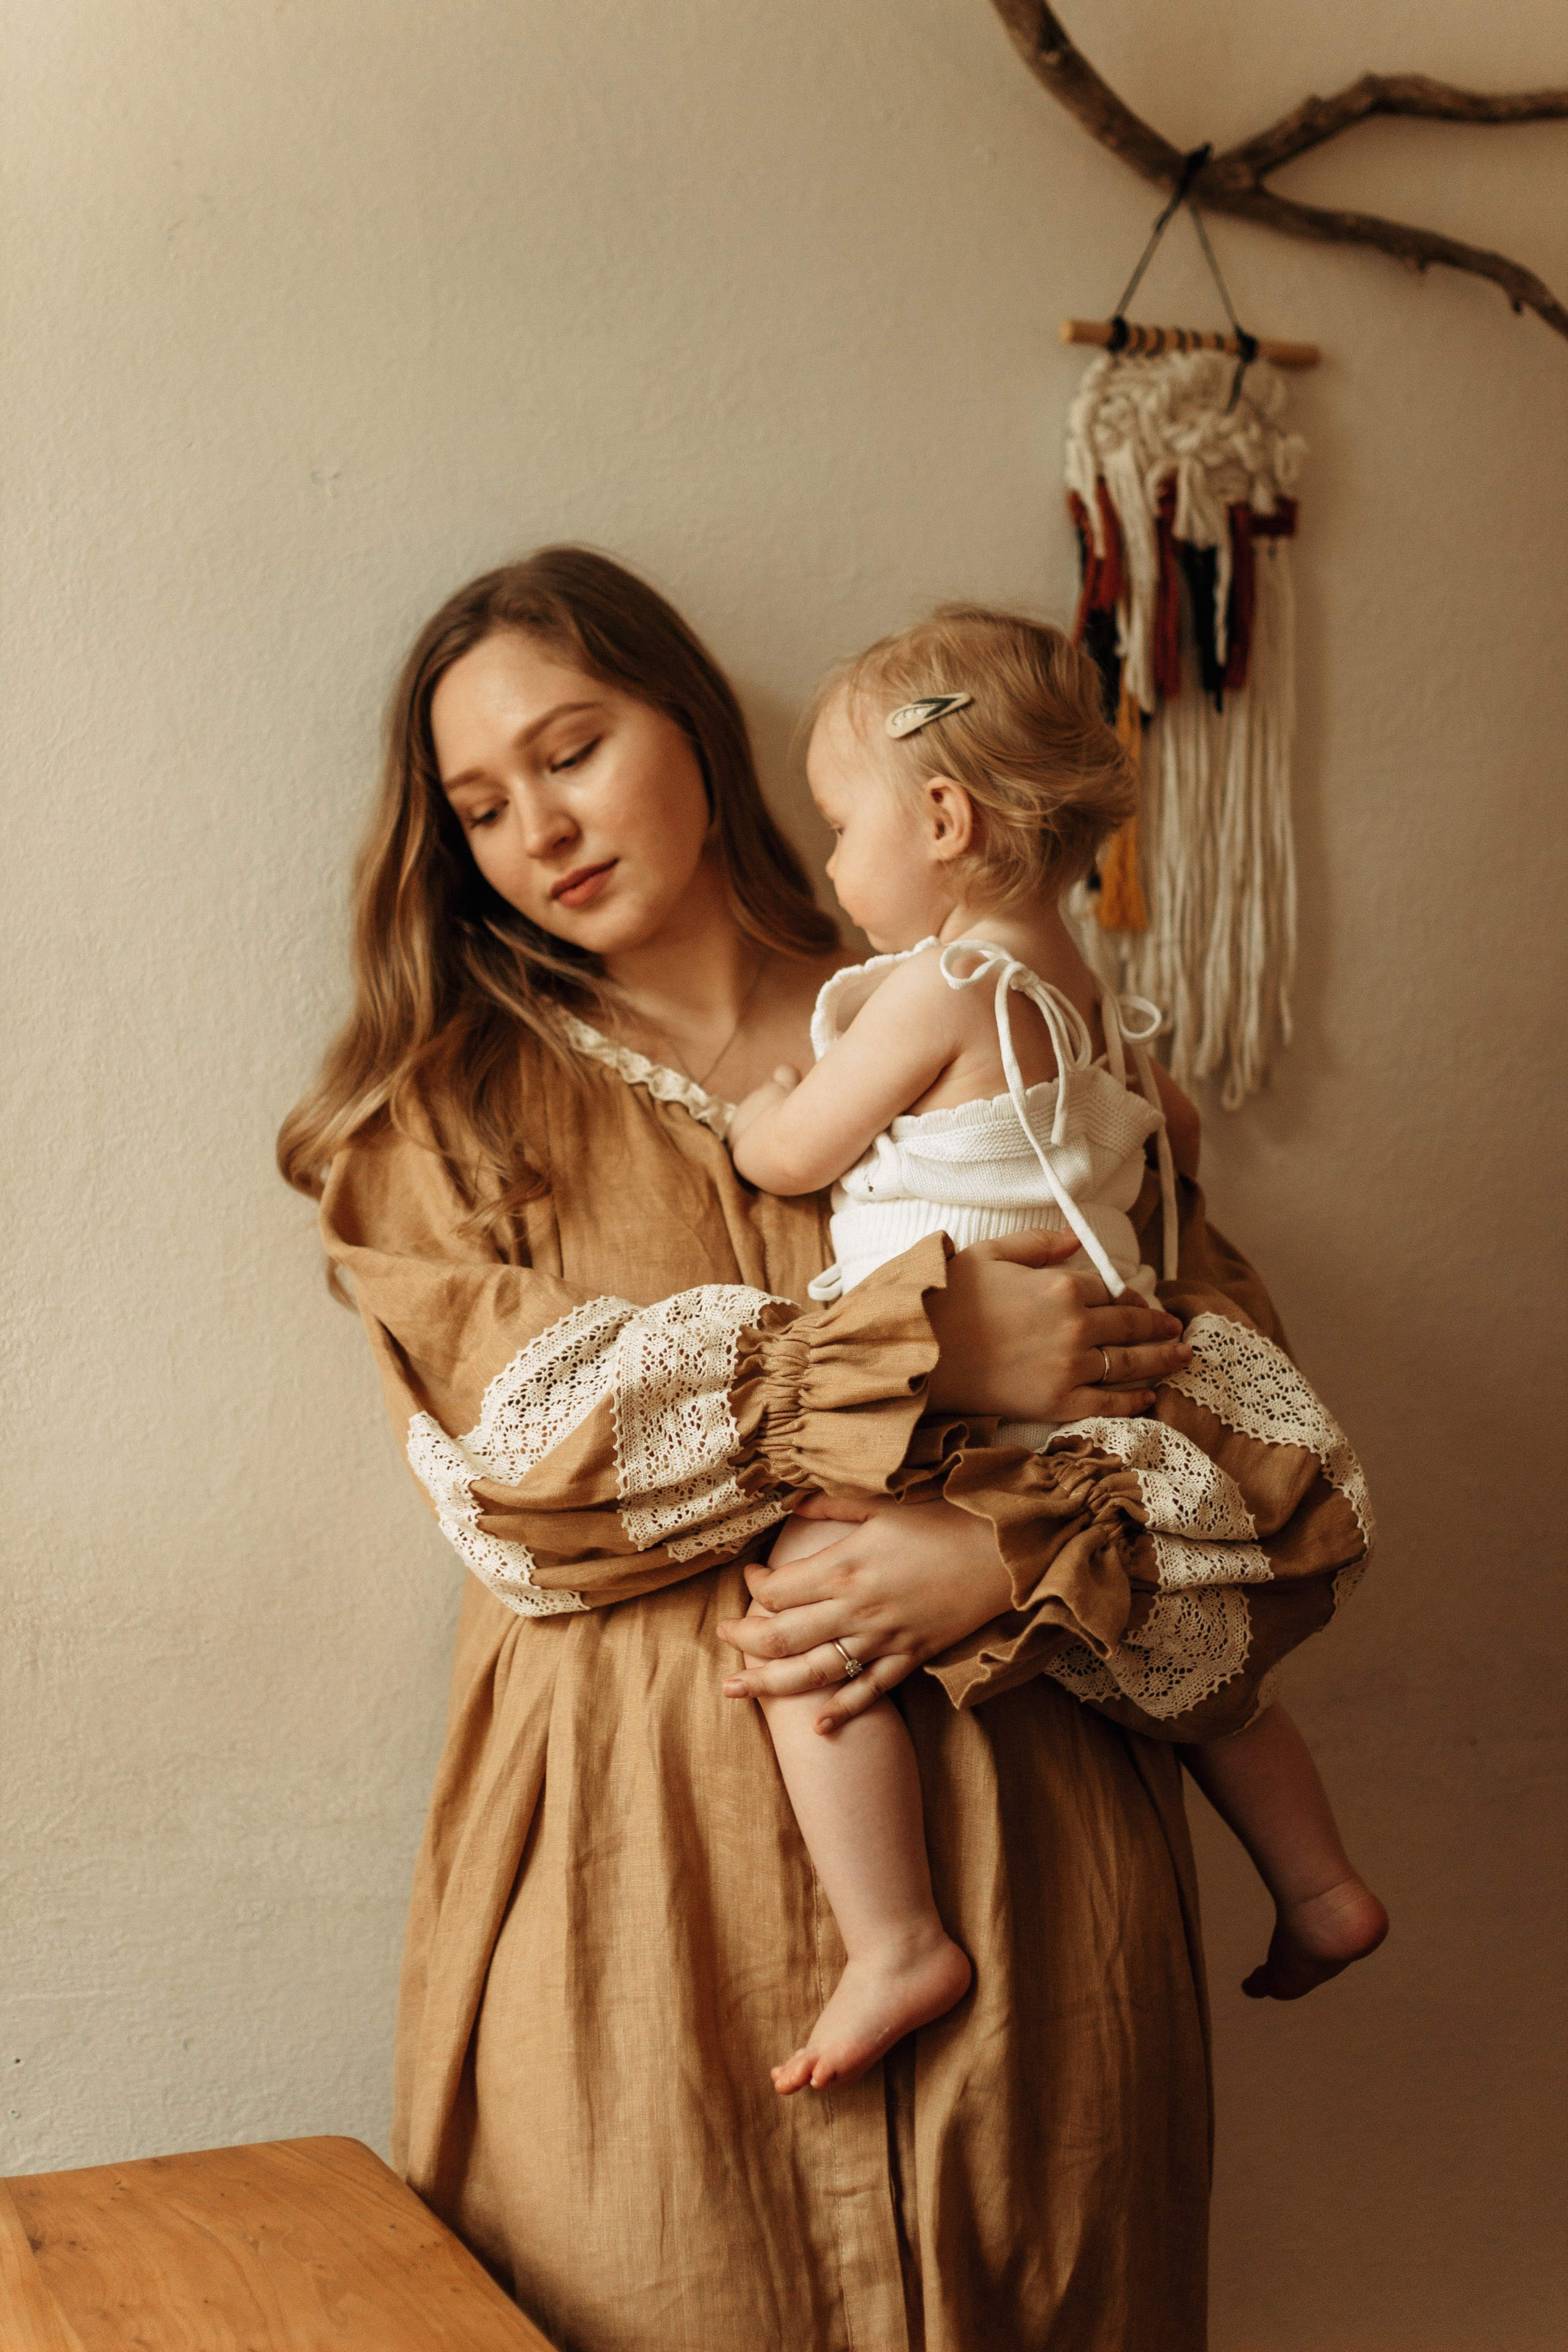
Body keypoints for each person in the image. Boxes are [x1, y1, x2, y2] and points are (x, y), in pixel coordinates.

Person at [279, 545, 1369, 2352]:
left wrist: (1005, 1549)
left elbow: (1258, 1457)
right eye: (476, 806)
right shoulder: (445, 1114)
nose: (537, 828)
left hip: (1038, 1866)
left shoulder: (1009, 1033)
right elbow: (519, 1480)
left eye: (571, 750)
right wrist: (915, 1351)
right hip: (638, 1887)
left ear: (694, 731)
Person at [726, 606, 1387, 2096]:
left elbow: (792, 1156)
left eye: (838, 829)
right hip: (1104, 1407)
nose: (830, 867)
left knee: (805, 1606)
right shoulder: (1088, 1010)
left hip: (956, 1405)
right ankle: (1319, 1883)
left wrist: (755, 1113)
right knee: (1197, 1664)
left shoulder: (944, 989)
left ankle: (895, 1941)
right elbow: (1169, 1147)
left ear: (941, 820)